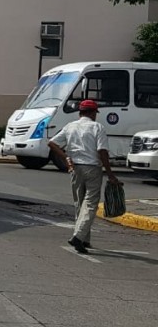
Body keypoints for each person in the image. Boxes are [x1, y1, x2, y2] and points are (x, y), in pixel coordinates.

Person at [48, 99, 119, 254]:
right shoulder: (97, 127)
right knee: (91, 204)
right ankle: (78, 237)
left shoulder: (70, 126)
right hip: (92, 168)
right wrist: (110, 174)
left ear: (80, 112)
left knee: (80, 204)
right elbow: (102, 152)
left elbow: (52, 143)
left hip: (75, 168)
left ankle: (84, 239)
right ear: (93, 113)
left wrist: (66, 158)